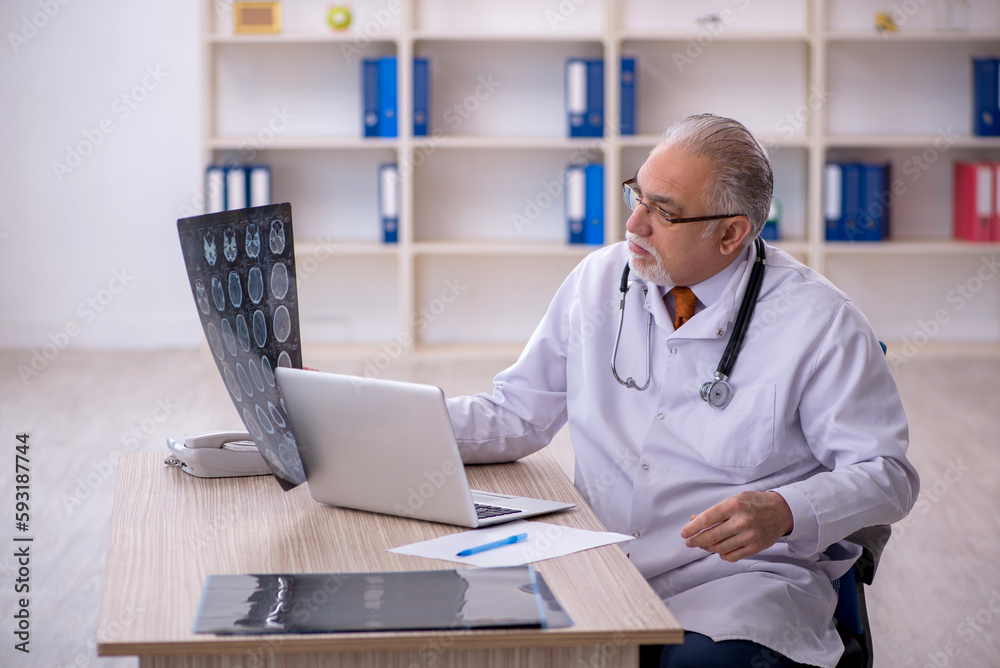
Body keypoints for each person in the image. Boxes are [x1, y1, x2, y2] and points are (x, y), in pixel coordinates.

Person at [445, 114, 919, 668]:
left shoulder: (820, 322)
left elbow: (889, 475)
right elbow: (518, 414)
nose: (634, 224)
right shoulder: (599, 280)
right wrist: (389, 426)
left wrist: (785, 510)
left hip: (738, 583)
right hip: (597, 562)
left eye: (662, 210)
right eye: (637, 196)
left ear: (730, 233)